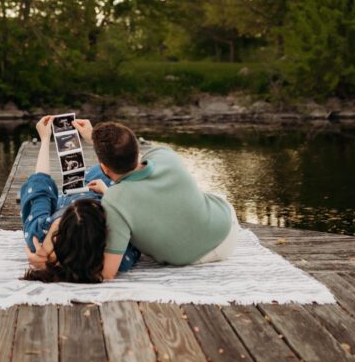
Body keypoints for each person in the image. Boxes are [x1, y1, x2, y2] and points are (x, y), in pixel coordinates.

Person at [72, 119, 240, 281]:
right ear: (136, 149)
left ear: (104, 168)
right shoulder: (165, 154)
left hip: (197, 257)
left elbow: (108, 273)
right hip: (226, 226)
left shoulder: (114, 200)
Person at [20, 115, 141, 282]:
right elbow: (134, 206)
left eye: (57, 227)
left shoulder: (39, 239)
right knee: (115, 172)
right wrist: (107, 193)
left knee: (109, 171)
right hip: (104, 188)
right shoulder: (119, 255)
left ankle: (106, 168)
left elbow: (39, 186)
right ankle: (107, 169)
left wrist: (45, 140)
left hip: (90, 186)